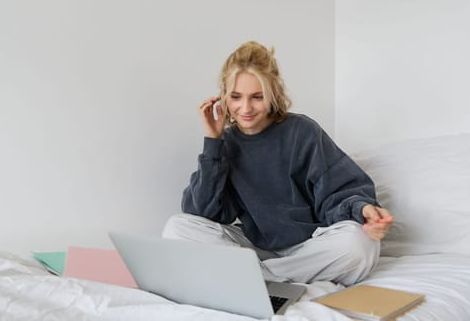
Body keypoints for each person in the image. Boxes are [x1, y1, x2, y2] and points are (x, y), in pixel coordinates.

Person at [162, 41, 392, 286]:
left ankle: (255, 279)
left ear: (273, 94)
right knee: (176, 228)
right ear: (224, 97)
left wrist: (362, 209)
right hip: (257, 247)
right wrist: (213, 142)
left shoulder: (302, 132)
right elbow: (202, 213)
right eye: (236, 97)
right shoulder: (225, 144)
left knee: (361, 245)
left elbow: (338, 191)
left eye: (257, 97)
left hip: (310, 246)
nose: (246, 108)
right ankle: (271, 280)